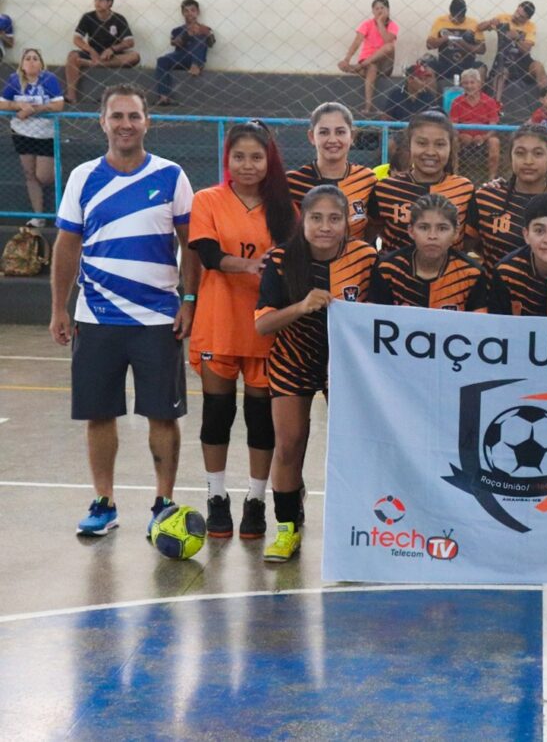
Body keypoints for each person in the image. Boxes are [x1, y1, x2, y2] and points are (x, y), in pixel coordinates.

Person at [49, 83, 197, 537]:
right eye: (117, 116)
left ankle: (163, 503)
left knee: (163, 415)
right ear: (103, 121)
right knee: (99, 413)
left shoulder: (172, 176)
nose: (125, 124)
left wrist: (189, 300)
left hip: (157, 319)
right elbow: (67, 245)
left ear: (147, 121)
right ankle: (104, 502)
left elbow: (191, 247)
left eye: (134, 116)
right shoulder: (83, 177)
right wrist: (59, 307)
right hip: (96, 318)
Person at [255, 185, 377, 562]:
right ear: (302, 220)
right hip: (293, 358)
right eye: (316, 218)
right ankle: (287, 529)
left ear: (348, 222)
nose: (325, 226)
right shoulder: (280, 259)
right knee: (289, 443)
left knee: (353, 447)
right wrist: (302, 306)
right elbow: (263, 326)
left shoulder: (365, 257)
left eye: (335, 218)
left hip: (344, 365)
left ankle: (358, 527)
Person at [188, 121, 295, 539]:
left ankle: (255, 499)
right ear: (227, 159)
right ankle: (217, 496)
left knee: (259, 419)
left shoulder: (286, 207)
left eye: (256, 156)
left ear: (269, 160)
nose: (247, 165)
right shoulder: (207, 200)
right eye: (239, 156)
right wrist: (250, 264)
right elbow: (210, 256)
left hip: (264, 328)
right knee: (217, 414)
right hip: (218, 323)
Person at [466, 123, 547, 271]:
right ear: (510, 157)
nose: (528, 161)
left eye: (538, 153)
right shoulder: (485, 198)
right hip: (497, 291)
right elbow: (468, 248)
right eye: (520, 153)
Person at [368, 110, 475, 254]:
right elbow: (368, 234)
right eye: (422, 143)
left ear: (451, 147)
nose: (430, 152)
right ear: (409, 144)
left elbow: (470, 241)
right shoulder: (385, 189)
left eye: (440, 144)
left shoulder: (465, 189)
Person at [369, 193, 488, 310]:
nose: (432, 236)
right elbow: (374, 321)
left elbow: (478, 326)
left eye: (442, 228)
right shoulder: (387, 269)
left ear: (456, 233)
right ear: (411, 231)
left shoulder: (472, 274)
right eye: (424, 227)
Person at [287, 102, 378, 241]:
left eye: (340, 132)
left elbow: (374, 228)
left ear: (352, 135)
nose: (332, 140)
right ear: (311, 136)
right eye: (324, 132)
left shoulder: (367, 179)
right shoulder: (294, 182)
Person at [0, 48, 64, 226]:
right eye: (27, 58)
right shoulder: (14, 80)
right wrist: (16, 105)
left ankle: (56, 170)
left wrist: (34, 109)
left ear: (41, 64)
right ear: (22, 64)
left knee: (43, 176)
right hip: (21, 133)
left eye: (35, 58)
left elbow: (58, 104)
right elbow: (2, 102)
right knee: (30, 174)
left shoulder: (48, 79)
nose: (31, 61)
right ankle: (39, 216)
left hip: (44, 134)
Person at [64, 0, 141, 104]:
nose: (97, 3)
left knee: (135, 56)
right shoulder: (88, 17)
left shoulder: (119, 19)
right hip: (93, 53)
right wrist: (90, 50)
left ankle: (97, 64)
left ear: (110, 3)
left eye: (101, 0)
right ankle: (71, 96)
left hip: (112, 55)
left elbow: (129, 42)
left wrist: (112, 49)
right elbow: (77, 39)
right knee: (72, 56)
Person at [478, 1, 547, 104]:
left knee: (539, 66)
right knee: (502, 72)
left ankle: (546, 99)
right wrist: (490, 22)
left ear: (527, 19)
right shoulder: (503, 18)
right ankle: (496, 105)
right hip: (504, 59)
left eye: (521, 16)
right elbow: (479, 28)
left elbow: (526, 50)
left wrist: (517, 38)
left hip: (522, 61)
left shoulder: (530, 26)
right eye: (517, 12)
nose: (516, 16)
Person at [338, 0, 398, 115]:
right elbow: (357, 42)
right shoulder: (366, 24)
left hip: (385, 64)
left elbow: (387, 41)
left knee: (389, 47)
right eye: (376, 8)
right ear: (372, 11)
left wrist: (380, 23)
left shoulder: (392, 25)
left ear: (388, 10)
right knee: (372, 67)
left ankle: (356, 68)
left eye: (382, 8)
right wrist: (347, 58)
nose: (379, 11)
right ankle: (368, 105)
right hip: (369, 64)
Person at [154, 0, 216, 106]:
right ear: (182, 13)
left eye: (192, 10)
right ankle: (163, 97)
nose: (190, 13)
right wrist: (187, 34)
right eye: (186, 11)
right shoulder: (177, 30)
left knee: (200, 37)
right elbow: (174, 43)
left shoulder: (205, 28)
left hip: (196, 58)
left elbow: (211, 43)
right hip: (181, 57)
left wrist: (206, 34)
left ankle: (196, 65)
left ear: (198, 12)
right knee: (162, 60)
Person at [449, 68, 502, 180]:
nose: (469, 86)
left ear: (479, 84)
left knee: (495, 142)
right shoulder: (457, 102)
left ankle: (491, 179)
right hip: (463, 137)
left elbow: (493, 126)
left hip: (484, 137)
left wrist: (484, 137)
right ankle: (454, 176)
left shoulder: (489, 101)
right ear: (462, 84)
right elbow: (452, 126)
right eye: (466, 83)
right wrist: (461, 136)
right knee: (453, 140)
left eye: (472, 82)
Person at [426, 0, 485, 81]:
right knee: (428, 67)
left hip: (467, 65)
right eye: (454, 17)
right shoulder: (440, 21)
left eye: (460, 18)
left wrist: (463, 44)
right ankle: (431, 94)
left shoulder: (473, 23)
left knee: (481, 68)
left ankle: (476, 94)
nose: (457, 21)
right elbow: (429, 45)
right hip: (444, 64)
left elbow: (482, 49)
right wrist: (445, 38)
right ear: (450, 12)